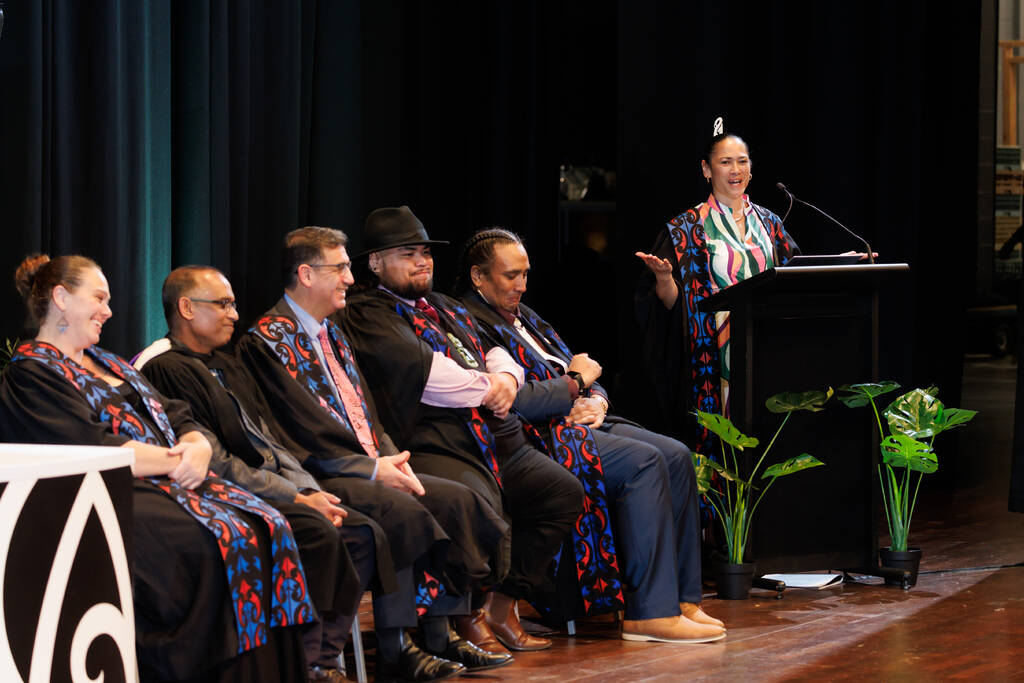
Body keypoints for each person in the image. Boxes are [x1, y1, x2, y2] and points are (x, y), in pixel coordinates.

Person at [0, 254, 315, 682]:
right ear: (60, 298)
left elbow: (177, 414)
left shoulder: (111, 363)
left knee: (269, 524)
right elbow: (88, 445)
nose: (109, 311)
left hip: (174, 481)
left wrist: (196, 445)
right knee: (208, 544)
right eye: (98, 297)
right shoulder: (31, 373)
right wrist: (177, 459)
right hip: (107, 499)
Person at [235, 227, 514, 680]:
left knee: (459, 499)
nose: (350, 277)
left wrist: (391, 457)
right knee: (400, 509)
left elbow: (368, 409)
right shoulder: (268, 341)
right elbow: (296, 430)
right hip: (322, 473)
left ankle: (440, 631)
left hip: (372, 463)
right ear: (306, 274)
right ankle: (396, 643)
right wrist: (371, 469)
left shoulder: (334, 332)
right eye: (340, 268)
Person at [457, 227, 725, 643]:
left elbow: (582, 367)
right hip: (541, 434)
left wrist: (595, 400)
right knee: (645, 462)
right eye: (511, 275)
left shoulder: (527, 318)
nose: (521, 285)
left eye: (526, 274)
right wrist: (573, 387)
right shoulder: (470, 324)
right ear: (478, 276)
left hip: (582, 419)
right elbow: (508, 398)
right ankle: (649, 613)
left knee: (676, 454)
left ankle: (682, 598)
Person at [339, 206, 585, 653]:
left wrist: (506, 379)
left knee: (562, 493)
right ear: (375, 263)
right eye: (407, 254)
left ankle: (501, 605)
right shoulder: (368, 313)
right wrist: (490, 387)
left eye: (426, 254)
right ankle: (463, 616)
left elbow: (499, 351)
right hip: (436, 441)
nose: (421, 263)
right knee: (476, 501)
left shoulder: (443, 306)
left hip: (495, 435)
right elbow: (430, 377)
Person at [134, 265, 387, 682]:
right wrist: (293, 498)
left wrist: (306, 488)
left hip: (274, 485)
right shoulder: (165, 368)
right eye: (223, 304)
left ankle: (323, 659)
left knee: (360, 532)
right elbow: (216, 462)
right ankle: (300, 667)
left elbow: (269, 442)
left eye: (233, 304)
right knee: (319, 531)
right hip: (223, 493)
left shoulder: (226, 364)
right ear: (186, 308)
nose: (235, 314)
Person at [635, 132, 799, 453]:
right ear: (707, 170)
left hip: (769, 349)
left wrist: (838, 264)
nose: (735, 169)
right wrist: (666, 279)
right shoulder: (686, 229)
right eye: (725, 162)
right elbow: (672, 307)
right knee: (723, 448)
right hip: (714, 359)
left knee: (768, 442)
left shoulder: (770, 223)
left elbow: (793, 275)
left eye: (742, 161)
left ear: (751, 169)